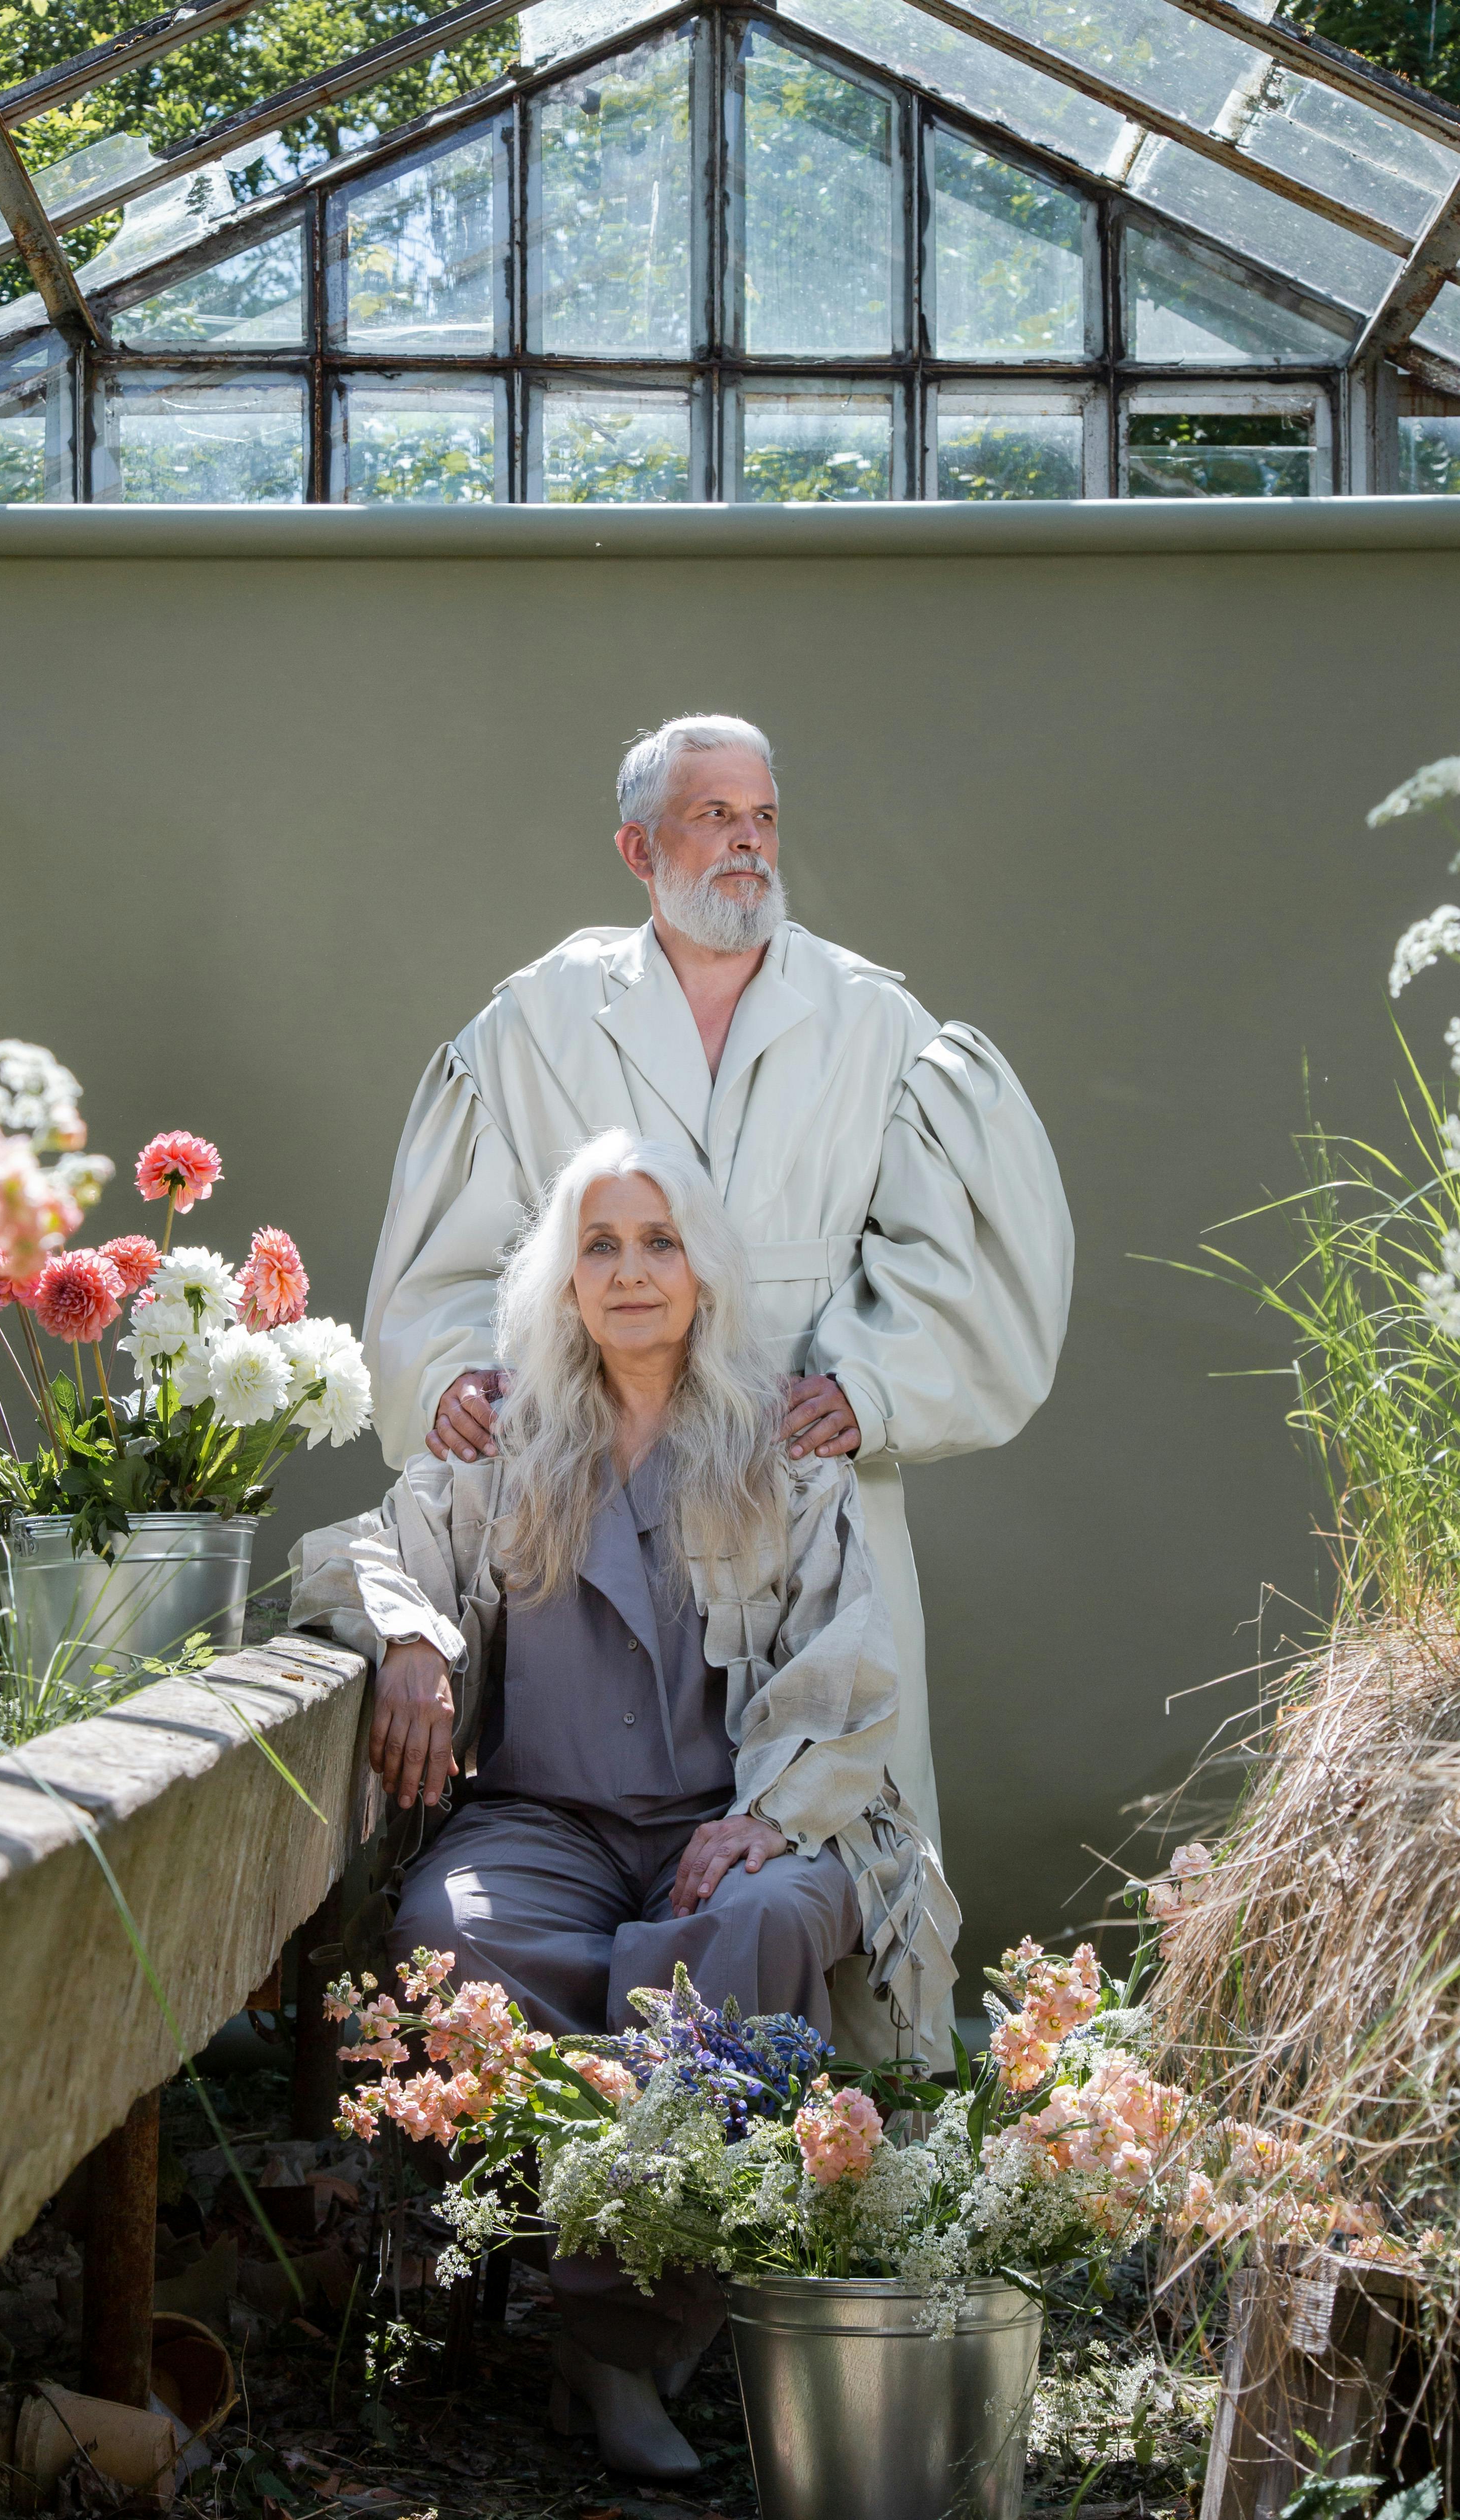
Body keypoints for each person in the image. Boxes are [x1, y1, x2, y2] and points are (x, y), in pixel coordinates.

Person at [362, 713, 1073, 2058]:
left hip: (795, 1486)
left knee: (817, 1824)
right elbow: (456, 1253)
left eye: (763, 815)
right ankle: (595, 2139)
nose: (748, 840)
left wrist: (865, 1385)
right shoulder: (539, 1020)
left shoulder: (872, 1021)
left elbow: (965, 1260)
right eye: (712, 817)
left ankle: (829, 2164)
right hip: (591, 1466)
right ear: (640, 848)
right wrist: (465, 1377)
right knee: (534, 1862)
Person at [290, 1129, 957, 2482]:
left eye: (659, 1241)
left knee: (760, 1921)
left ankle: (617, 2338)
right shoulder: (508, 1434)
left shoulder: (783, 1447)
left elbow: (850, 1664)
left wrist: (774, 1811)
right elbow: (361, 1549)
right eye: (601, 1244)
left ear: (704, 1269)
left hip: (731, 1820)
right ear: (564, 1280)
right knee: (456, 1929)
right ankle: (636, 2328)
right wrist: (413, 1637)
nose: (632, 1270)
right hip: (544, 1828)